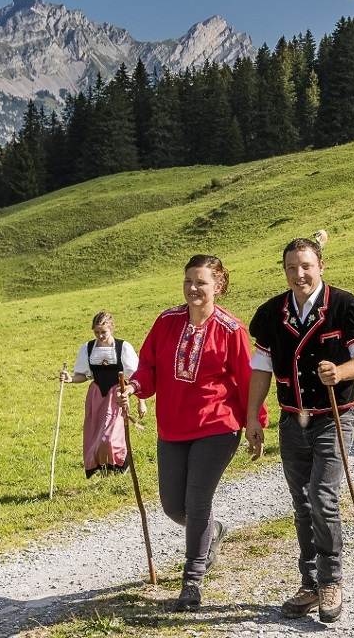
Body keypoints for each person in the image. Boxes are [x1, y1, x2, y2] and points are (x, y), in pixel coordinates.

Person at [246, 236, 354, 624]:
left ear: (321, 266)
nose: (299, 274)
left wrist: (340, 372)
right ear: (285, 271)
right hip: (292, 418)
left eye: (306, 266)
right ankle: (309, 583)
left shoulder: (344, 306)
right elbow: (261, 367)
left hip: (334, 415)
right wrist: (253, 416)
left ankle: (331, 579)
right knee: (301, 502)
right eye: (292, 267)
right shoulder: (273, 313)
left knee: (323, 496)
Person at [118, 255, 261, 610]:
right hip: (172, 425)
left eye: (201, 282)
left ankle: (192, 579)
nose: (193, 289)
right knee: (172, 504)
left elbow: (247, 381)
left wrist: (255, 422)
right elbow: (148, 366)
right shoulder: (166, 322)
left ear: (218, 286)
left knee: (197, 501)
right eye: (188, 281)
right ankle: (211, 531)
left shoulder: (231, 330)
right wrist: (134, 387)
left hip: (217, 424)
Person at [60, 311, 145, 477]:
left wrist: (141, 401)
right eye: (96, 332)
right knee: (95, 435)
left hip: (117, 396)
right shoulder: (88, 348)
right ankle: (106, 468)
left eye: (103, 332)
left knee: (109, 436)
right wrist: (70, 379)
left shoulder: (123, 348)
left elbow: (136, 378)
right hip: (96, 396)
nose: (100, 336)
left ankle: (122, 463)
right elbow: (83, 375)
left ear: (112, 328)